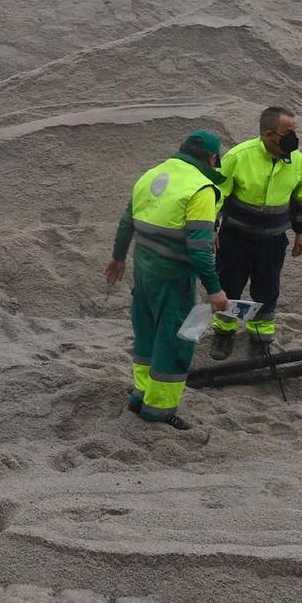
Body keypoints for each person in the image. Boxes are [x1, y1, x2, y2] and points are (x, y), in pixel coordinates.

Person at [104, 131, 229, 431]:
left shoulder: (151, 174)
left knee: (146, 336)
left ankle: (140, 396)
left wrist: (118, 257)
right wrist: (214, 288)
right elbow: (200, 252)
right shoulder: (201, 189)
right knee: (175, 343)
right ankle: (158, 411)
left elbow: (126, 222)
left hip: (144, 274)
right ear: (212, 159)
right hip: (174, 280)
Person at [209, 106, 302, 360]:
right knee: (229, 285)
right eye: (288, 132)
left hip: (273, 241)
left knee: (267, 290)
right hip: (236, 239)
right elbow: (215, 196)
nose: (294, 138)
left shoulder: (296, 159)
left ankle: (260, 338)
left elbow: (300, 198)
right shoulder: (238, 156)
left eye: (295, 131)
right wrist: (211, 228)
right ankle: (224, 333)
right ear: (268, 134)